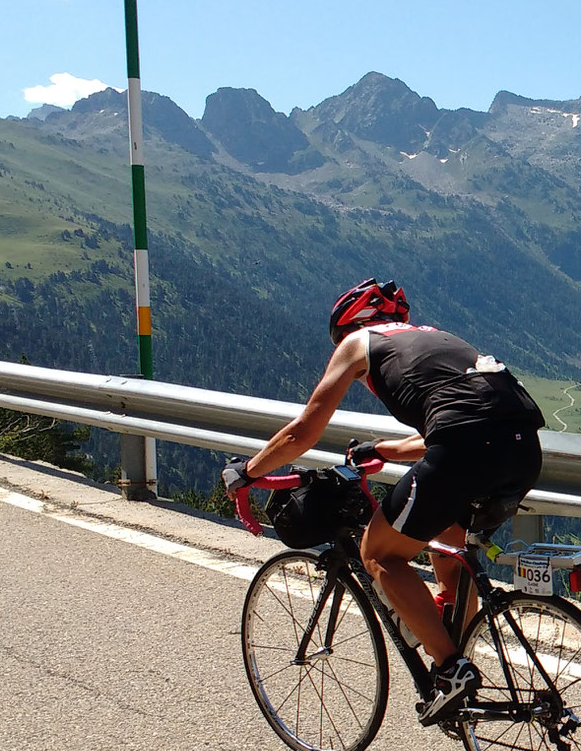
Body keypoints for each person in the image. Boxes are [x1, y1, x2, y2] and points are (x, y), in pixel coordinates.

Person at [223, 279, 544, 725]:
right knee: (449, 552)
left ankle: (452, 671)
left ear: (352, 325)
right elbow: (461, 423)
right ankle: (456, 666)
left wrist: (249, 471)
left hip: (466, 448)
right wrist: (384, 450)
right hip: (522, 448)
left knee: (378, 554)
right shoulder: (433, 339)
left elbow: (303, 431)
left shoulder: (360, 343)